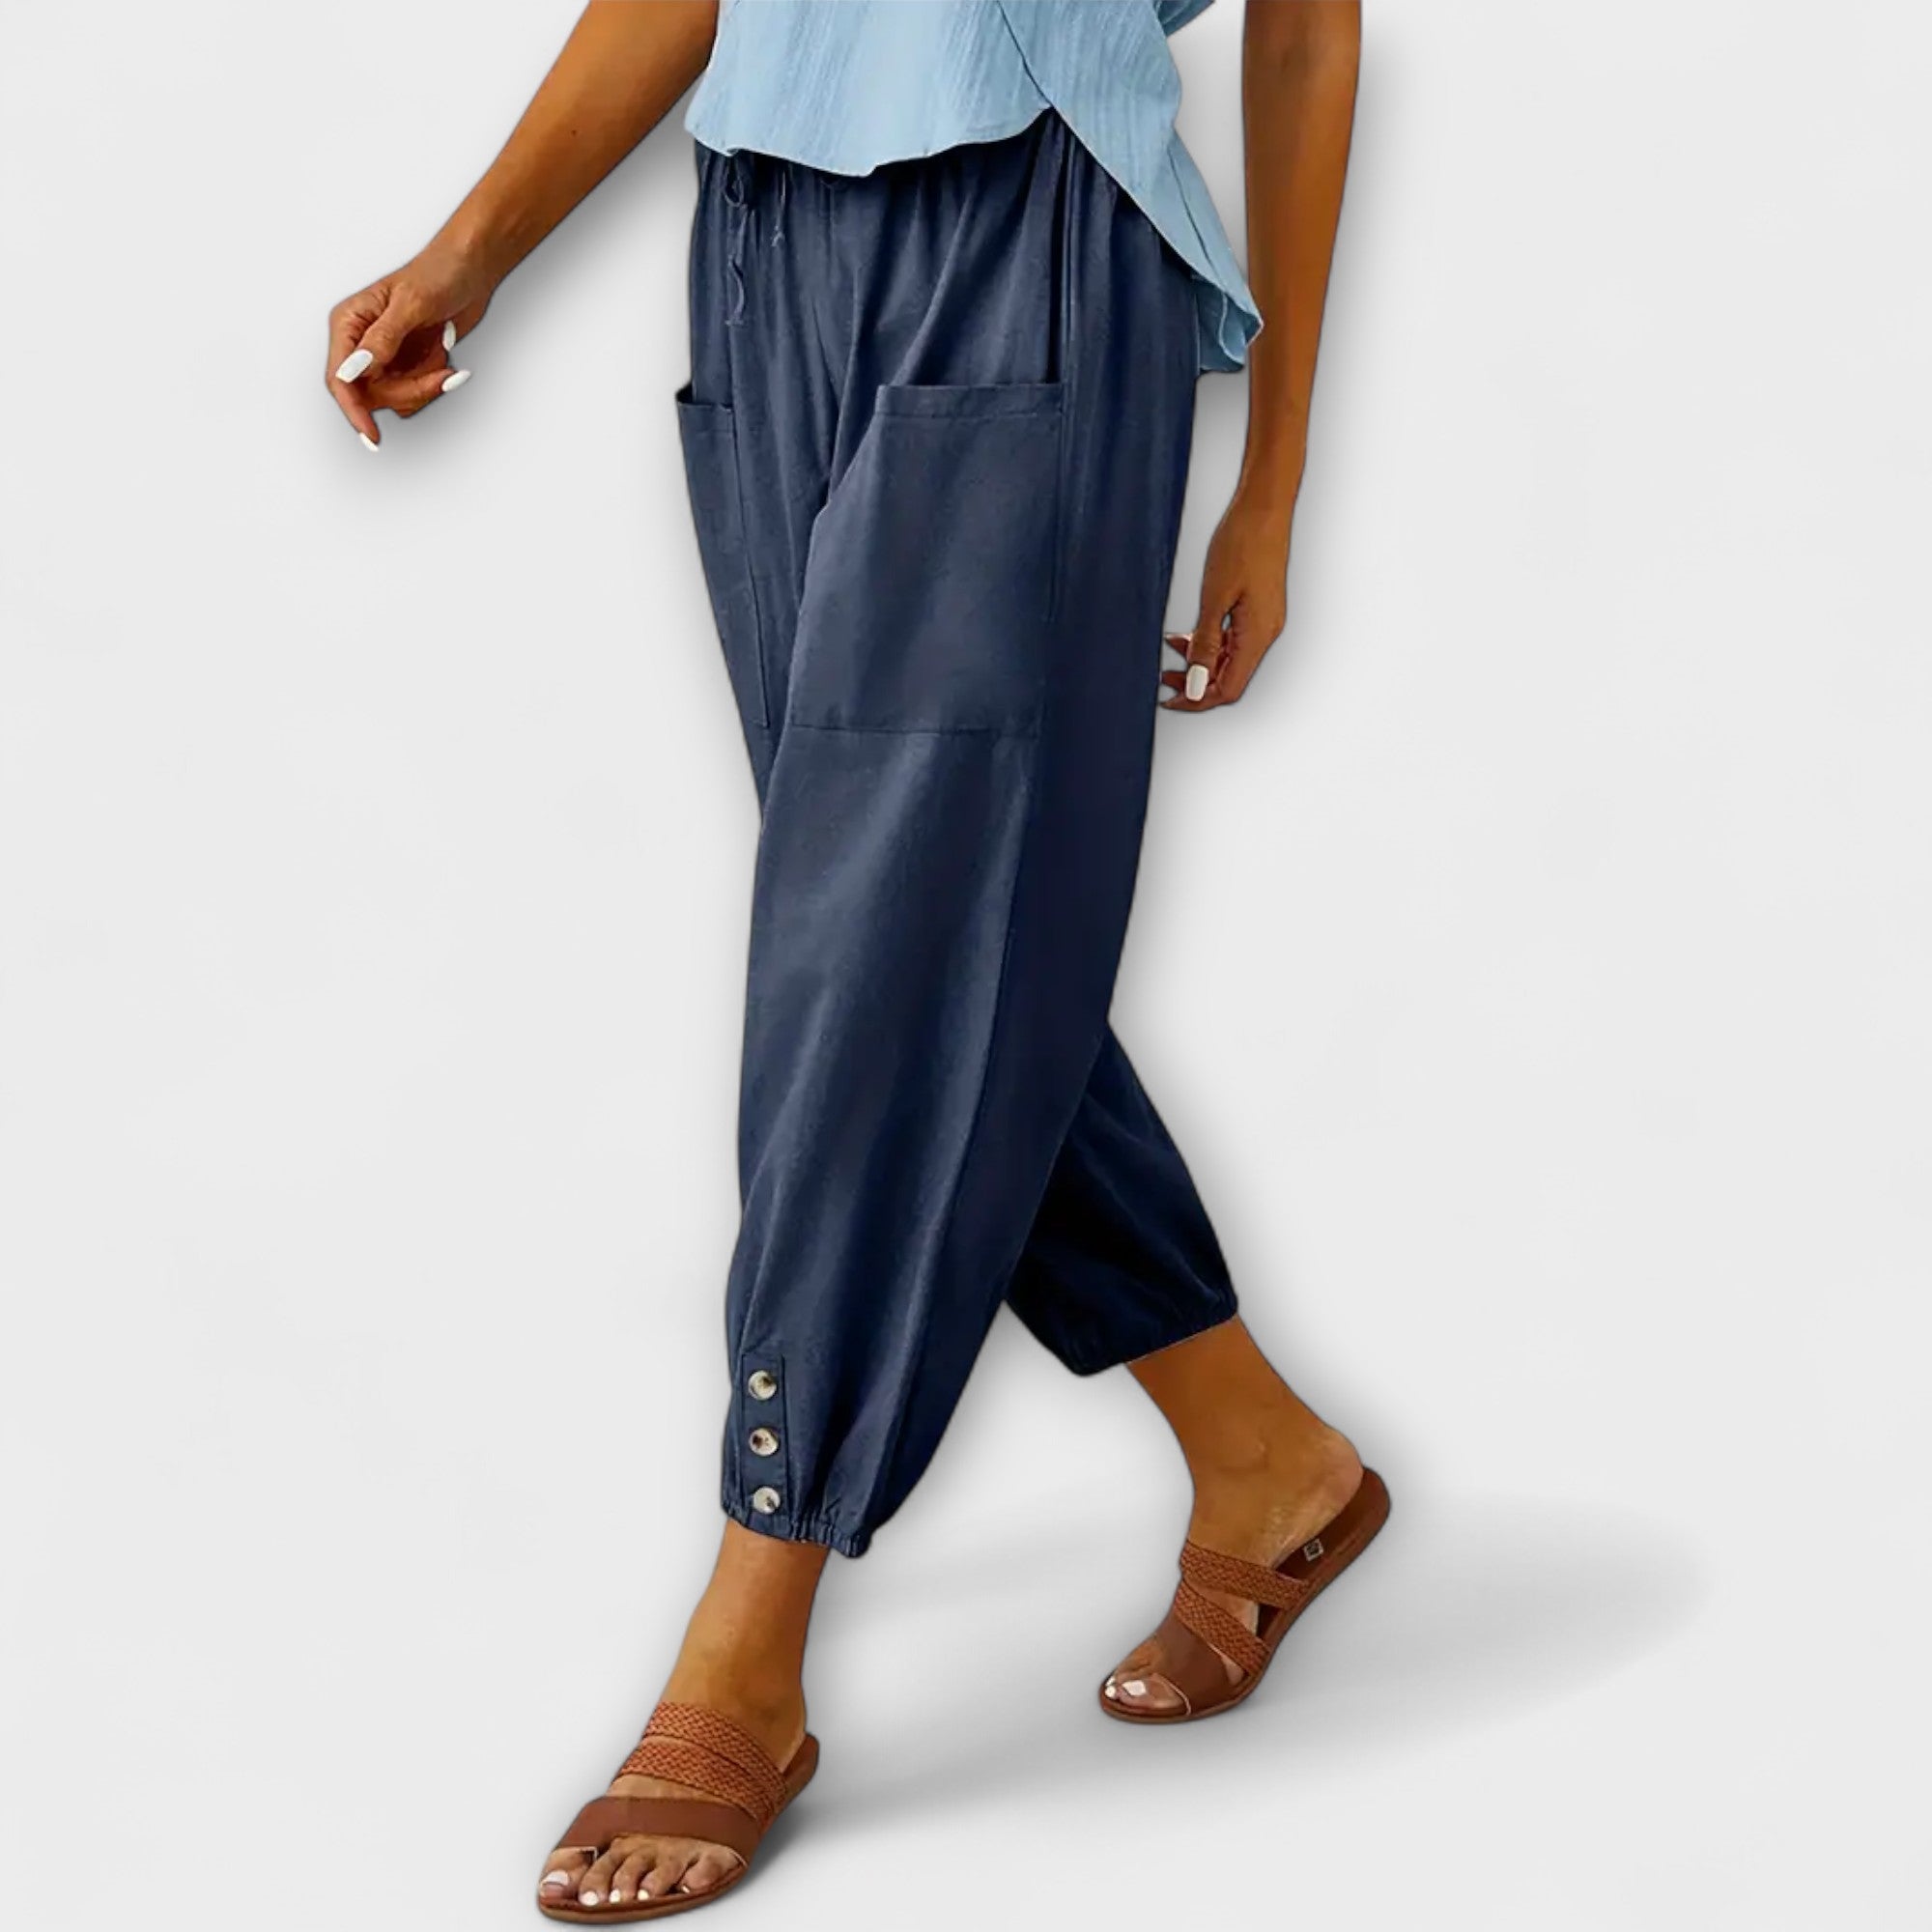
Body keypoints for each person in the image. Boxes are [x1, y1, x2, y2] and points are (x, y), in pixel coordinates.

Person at [324, 1, 1373, 1918]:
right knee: (909, 919)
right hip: (759, 247)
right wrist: (474, 247)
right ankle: (1264, 1455)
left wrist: (1274, 478)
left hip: (1032, 232)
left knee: (888, 939)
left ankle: (754, 1612)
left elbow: (1307, 26)